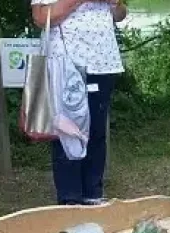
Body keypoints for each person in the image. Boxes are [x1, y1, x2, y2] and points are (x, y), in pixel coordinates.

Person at [32, 0, 127, 206]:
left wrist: (116, 3)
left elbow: (120, 15)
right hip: (66, 63)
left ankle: (93, 195)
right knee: (67, 131)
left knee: (97, 132)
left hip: (103, 62)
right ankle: (70, 200)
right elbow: (40, 18)